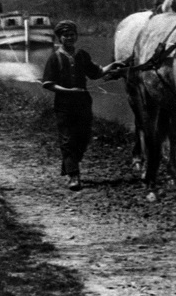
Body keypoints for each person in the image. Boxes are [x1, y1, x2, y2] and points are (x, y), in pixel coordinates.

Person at [40, 20, 122, 190]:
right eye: (65, 35)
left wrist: (112, 66)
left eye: (72, 35)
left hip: (83, 103)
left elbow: (96, 73)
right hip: (64, 104)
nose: (69, 38)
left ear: (76, 36)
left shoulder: (82, 55)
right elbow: (47, 83)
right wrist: (68, 91)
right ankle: (73, 175)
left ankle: (69, 164)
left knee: (83, 138)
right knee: (68, 139)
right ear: (59, 38)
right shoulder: (54, 58)